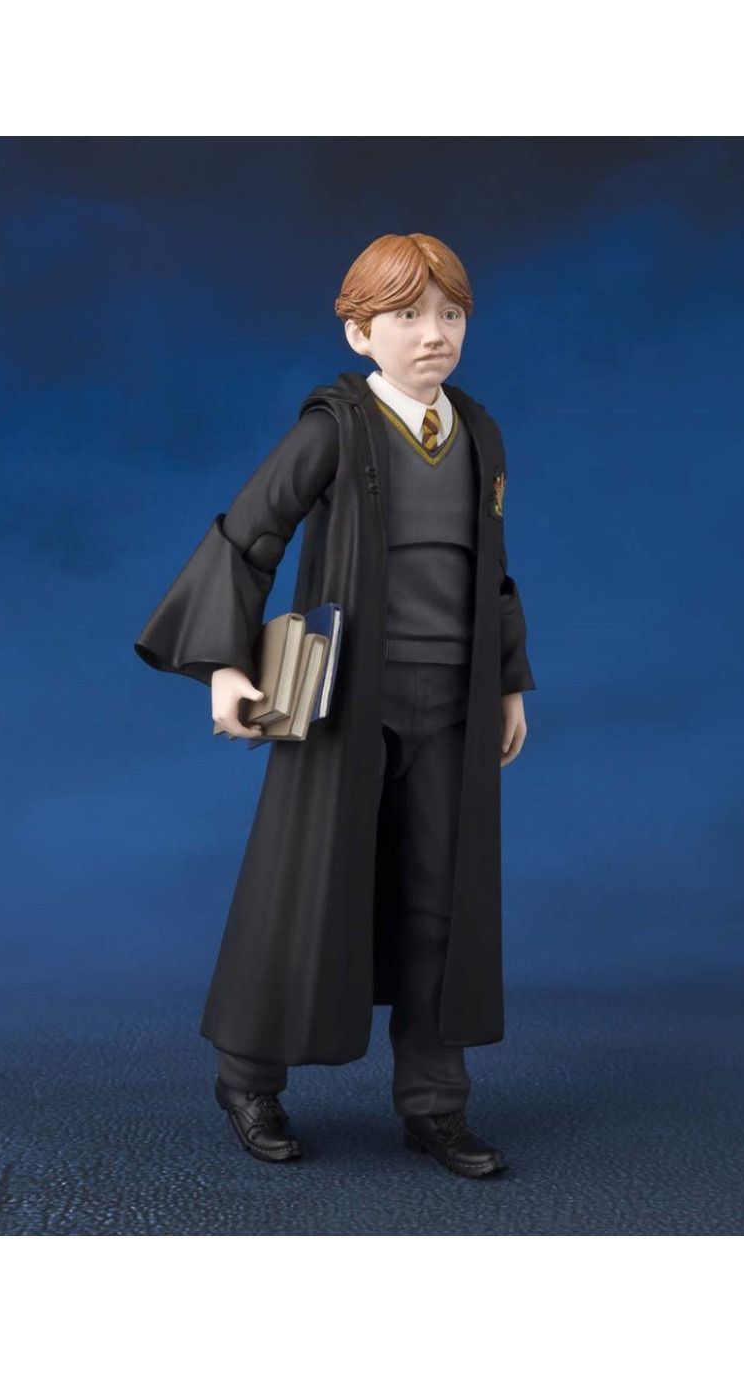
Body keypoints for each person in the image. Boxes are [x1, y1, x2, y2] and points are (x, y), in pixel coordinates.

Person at [135, 233, 536, 1179]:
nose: (434, 334)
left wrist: (509, 680)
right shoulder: (336, 427)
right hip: (345, 698)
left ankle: (435, 1104)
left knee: (442, 901)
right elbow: (249, 535)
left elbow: (495, 571)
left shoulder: (478, 432)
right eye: (408, 316)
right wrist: (224, 666)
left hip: (454, 702)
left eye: (450, 314)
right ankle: (247, 1079)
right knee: (306, 886)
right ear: (360, 332)